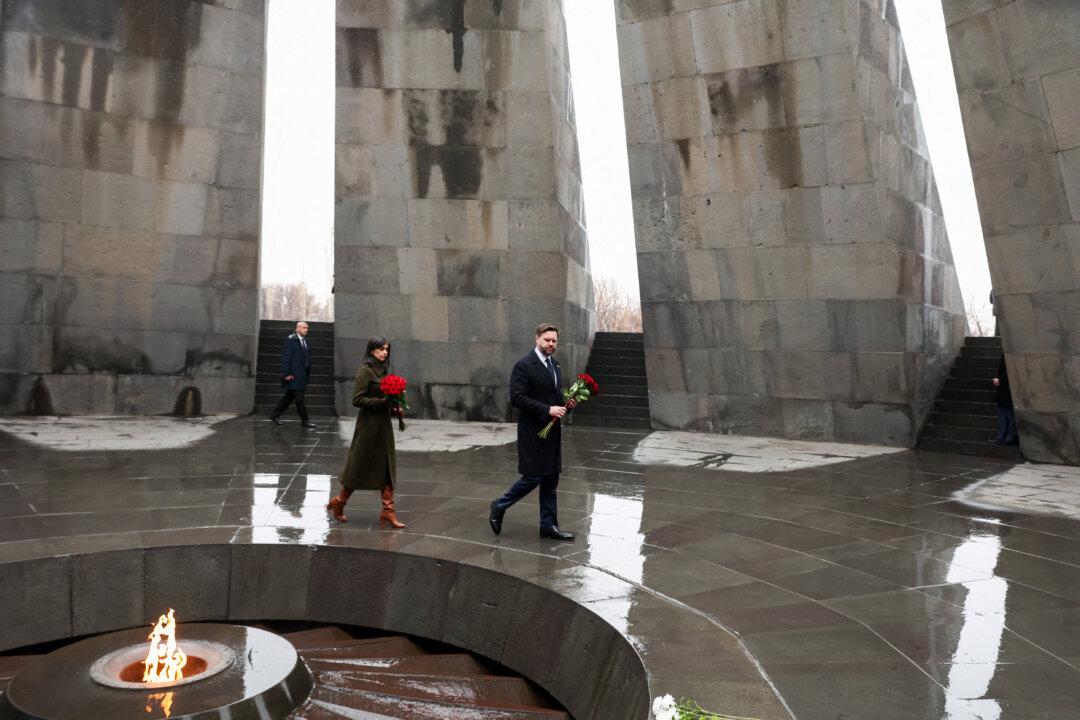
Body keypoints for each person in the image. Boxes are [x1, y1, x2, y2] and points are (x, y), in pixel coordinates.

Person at [488, 323, 577, 541]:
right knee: (534, 476)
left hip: (552, 432)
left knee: (550, 479)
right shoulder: (524, 365)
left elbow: (553, 396)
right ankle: (500, 505)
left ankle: (548, 526)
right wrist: (547, 409)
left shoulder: (555, 365)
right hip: (533, 431)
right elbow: (517, 398)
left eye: (554, 340)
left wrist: (567, 403)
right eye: (547, 339)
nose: (551, 344)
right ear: (537, 338)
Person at [328, 337, 405, 528]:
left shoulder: (385, 372)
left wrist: (395, 406)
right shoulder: (366, 371)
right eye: (380, 349)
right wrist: (381, 403)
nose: (384, 352)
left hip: (383, 426)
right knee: (359, 466)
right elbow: (357, 399)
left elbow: (388, 397)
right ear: (372, 351)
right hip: (368, 426)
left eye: (386, 349)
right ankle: (339, 502)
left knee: (386, 466)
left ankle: (388, 511)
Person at [269, 321, 315, 428]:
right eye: (304, 327)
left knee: (288, 397)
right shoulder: (291, 340)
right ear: (297, 329)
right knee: (300, 399)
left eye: (307, 328)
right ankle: (305, 421)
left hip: (302, 375)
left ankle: (274, 415)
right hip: (294, 375)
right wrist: (286, 374)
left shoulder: (305, 341)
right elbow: (286, 358)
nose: (306, 329)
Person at [992, 353, 1019, 445]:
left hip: (1007, 390)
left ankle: (1008, 437)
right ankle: (1003, 437)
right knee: (1004, 415)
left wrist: (1000, 381)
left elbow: (1010, 372)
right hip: (1003, 390)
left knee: (1007, 415)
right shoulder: (1005, 355)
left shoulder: (1008, 355)